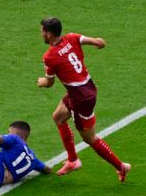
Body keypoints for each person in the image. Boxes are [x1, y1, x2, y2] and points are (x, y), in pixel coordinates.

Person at [37, 17, 130, 181]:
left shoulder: (49, 56)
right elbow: (98, 42)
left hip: (81, 99)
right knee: (58, 117)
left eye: (42, 31)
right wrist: (99, 42)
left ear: (49, 34)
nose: (41, 34)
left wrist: (42, 82)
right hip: (86, 87)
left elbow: (50, 83)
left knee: (90, 139)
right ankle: (73, 160)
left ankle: (121, 167)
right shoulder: (72, 37)